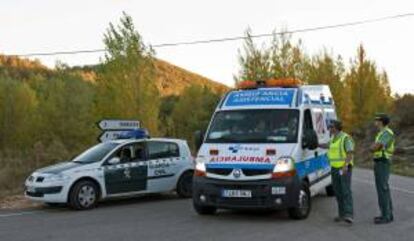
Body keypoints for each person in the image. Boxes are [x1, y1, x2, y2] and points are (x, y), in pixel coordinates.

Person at [319, 120, 354, 224]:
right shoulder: (333, 138)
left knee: (345, 191)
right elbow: (327, 145)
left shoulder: (345, 138)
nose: (330, 129)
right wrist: (316, 144)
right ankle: (341, 214)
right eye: (329, 127)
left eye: (331, 127)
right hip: (334, 168)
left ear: (337, 127)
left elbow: (350, 153)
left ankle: (349, 215)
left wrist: (345, 165)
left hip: (344, 168)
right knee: (338, 192)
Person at [370, 113, 395, 224]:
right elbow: (376, 146)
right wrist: (373, 147)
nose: (375, 121)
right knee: (383, 189)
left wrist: (372, 148)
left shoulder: (386, 133)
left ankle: (386, 216)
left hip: (383, 162)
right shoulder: (381, 133)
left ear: (381, 121)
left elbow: (377, 146)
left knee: (382, 189)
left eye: (377, 119)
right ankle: (387, 214)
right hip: (380, 162)